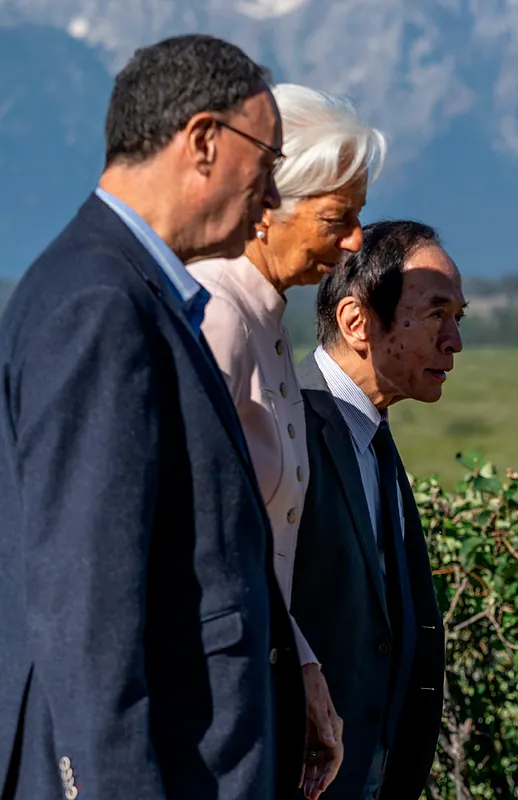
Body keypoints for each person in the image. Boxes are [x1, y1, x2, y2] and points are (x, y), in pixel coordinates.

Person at [0, 34, 305, 799]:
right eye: (268, 166)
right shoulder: (102, 306)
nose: (272, 197)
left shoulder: (131, 292)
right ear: (204, 141)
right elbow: (85, 605)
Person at [188, 82, 387, 800]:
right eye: (337, 217)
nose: (356, 240)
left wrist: (303, 670)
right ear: (266, 207)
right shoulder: (219, 319)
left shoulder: (268, 322)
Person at [289, 220, 464, 800]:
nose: (454, 341)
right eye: (437, 313)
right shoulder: (285, 427)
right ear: (356, 321)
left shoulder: (375, 436)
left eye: (458, 317)